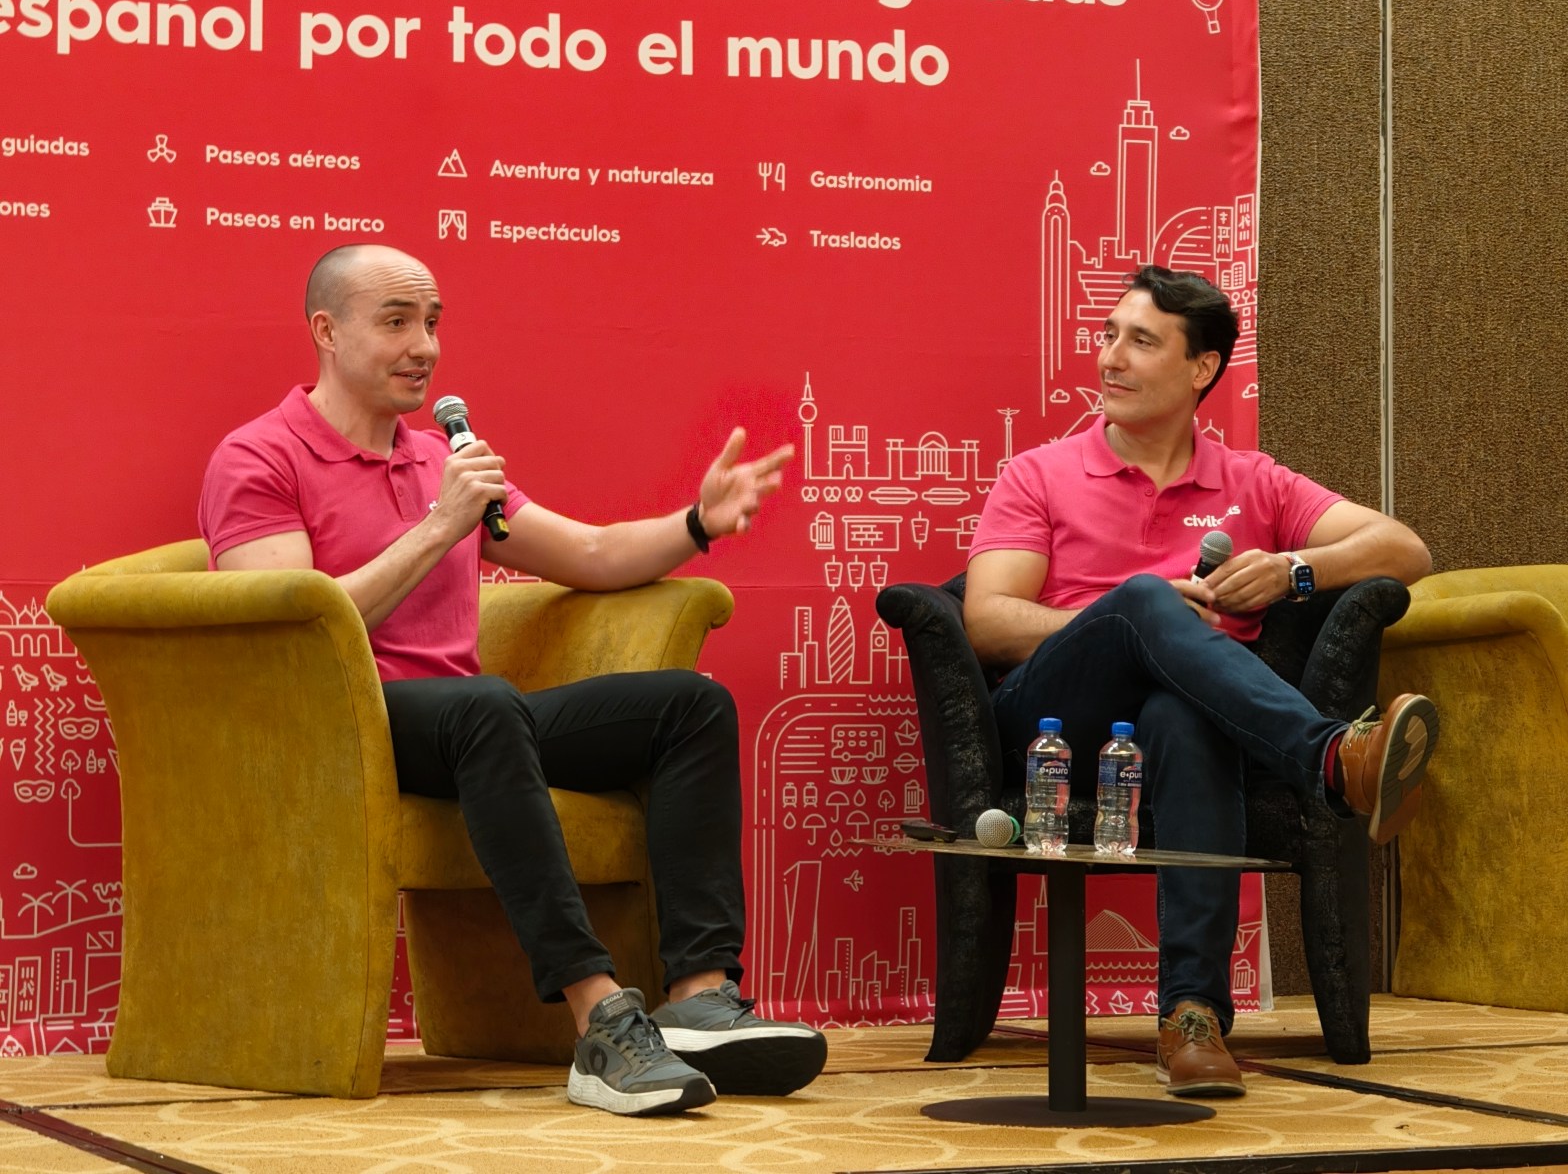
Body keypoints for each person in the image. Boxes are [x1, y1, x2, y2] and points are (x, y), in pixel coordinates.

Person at [197, 243, 826, 1117]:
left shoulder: (440, 461)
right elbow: (297, 630)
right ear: (326, 331)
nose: (424, 346)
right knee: (484, 705)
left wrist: (696, 521)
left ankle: (699, 998)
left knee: (686, 705)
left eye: (432, 323)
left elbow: (593, 552)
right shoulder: (259, 457)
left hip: (469, 722)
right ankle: (599, 1017)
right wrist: (439, 524)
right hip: (340, 722)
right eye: (396, 322)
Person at [963, 264, 1439, 1099]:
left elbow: (1406, 550)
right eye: (1109, 334)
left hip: (1184, 727)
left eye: (1141, 341)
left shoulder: (1252, 482)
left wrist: (1296, 570)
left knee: (1183, 712)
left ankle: (1192, 1017)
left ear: (1202, 370)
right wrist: (1134, 620)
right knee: (1147, 602)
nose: (1111, 356)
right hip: (1052, 725)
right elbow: (990, 619)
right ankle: (1333, 760)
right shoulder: (1040, 474)